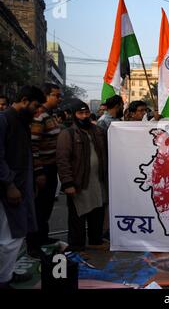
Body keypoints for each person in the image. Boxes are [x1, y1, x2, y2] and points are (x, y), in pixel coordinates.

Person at [0, 86, 46, 289]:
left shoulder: (21, 122)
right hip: (7, 190)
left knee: (14, 238)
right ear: (25, 100)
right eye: (36, 106)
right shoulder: (4, 120)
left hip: (19, 188)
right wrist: (9, 185)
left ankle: (6, 274)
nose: (38, 111)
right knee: (9, 239)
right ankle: (3, 279)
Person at [56, 101, 108, 252]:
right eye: (80, 113)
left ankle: (95, 241)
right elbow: (62, 160)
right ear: (74, 115)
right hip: (79, 182)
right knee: (78, 216)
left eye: (86, 113)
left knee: (97, 212)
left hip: (98, 181)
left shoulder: (98, 131)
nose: (84, 116)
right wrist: (67, 183)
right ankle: (77, 246)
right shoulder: (68, 134)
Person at [26, 83, 62, 258]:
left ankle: (43, 237)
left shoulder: (51, 115)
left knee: (46, 206)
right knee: (38, 208)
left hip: (52, 166)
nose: (59, 98)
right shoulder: (39, 115)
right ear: (46, 96)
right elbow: (33, 147)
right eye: (56, 95)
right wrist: (39, 172)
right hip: (43, 169)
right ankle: (33, 245)